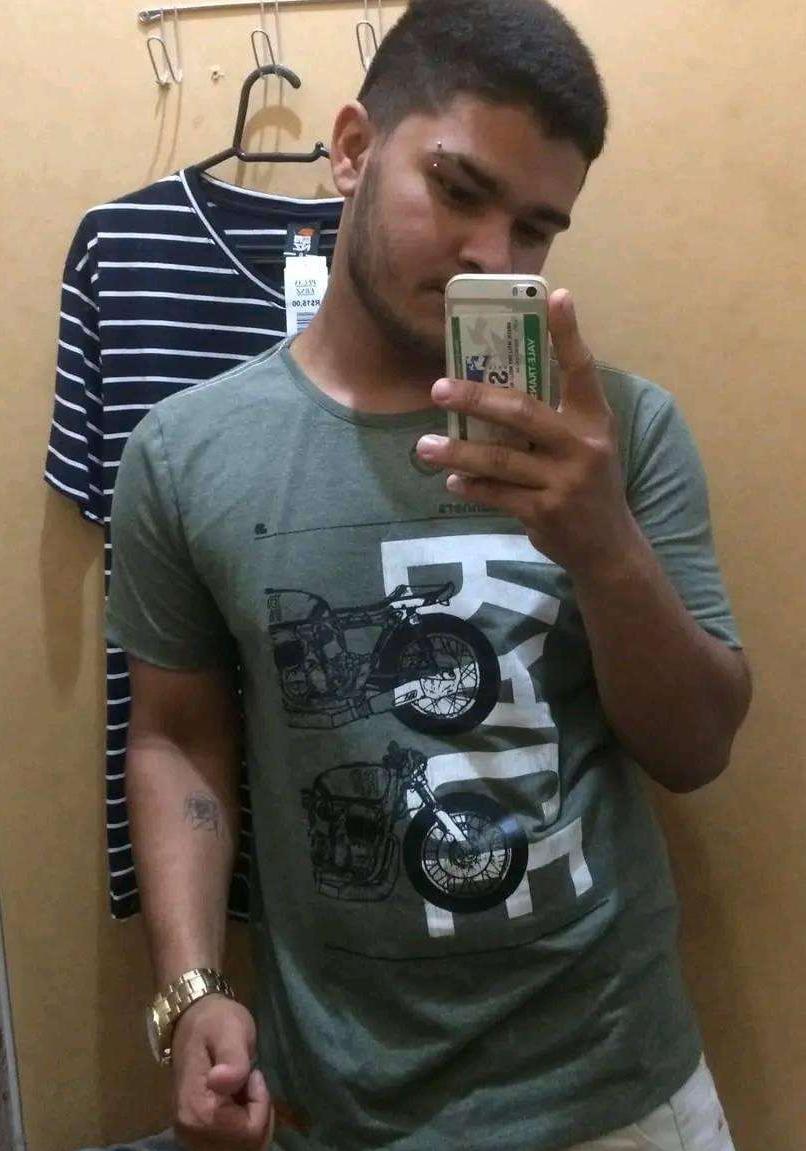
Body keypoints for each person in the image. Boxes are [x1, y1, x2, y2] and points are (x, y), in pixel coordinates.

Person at [104, 1, 752, 1149]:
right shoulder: (184, 452)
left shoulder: (620, 432)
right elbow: (177, 738)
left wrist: (601, 543)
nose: (490, 258)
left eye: (534, 228)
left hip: (619, 1089)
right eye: (456, 190)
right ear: (353, 148)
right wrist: (193, 986)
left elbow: (694, 748)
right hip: (342, 1099)